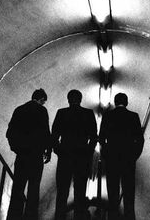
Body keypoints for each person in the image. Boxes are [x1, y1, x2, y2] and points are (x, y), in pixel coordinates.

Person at [6, 88, 51, 220]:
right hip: (36, 156)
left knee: (18, 188)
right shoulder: (42, 111)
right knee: (33, 189)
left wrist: (17, 149)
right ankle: (30, 217)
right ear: (42, 99)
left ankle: (13, 216)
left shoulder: (19, 110)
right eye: (44, 102)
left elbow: (10, 133)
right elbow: (45, 132)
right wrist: (47, 151)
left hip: (22, 156)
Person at [52, 89, 97, 220]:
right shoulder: (88, 113)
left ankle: (59, 217)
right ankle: (79, 216)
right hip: (82, 157)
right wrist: (88, 151)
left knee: (62, 191)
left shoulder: (62, 113)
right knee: (80, 191)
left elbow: (54, 134)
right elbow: (94, 136)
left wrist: (58, 150)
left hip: (65, 156)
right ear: (80, 99)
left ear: (68, 99)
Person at [99, 93, 144, 220]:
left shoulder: (108, 115)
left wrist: (106, 154)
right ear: (127, 102)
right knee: (129, 194)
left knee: (112, 194)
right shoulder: (133, 116)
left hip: (112, 159)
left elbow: (101, 138)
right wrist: (134, 155)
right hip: (128, 160)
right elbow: (140, 140)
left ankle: (113, 217)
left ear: (114, 102)